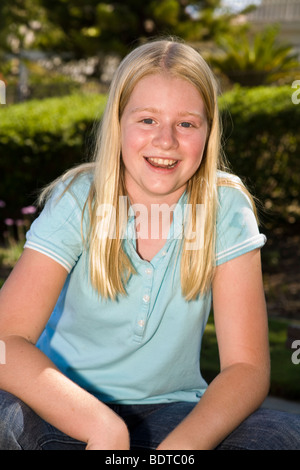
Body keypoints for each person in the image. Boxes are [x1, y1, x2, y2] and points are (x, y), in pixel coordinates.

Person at [0, 38, 299, 451]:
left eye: (187, 124)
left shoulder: (226, 208)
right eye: (147, 120)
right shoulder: (79, 198)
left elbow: (246, 367)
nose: (166, 140)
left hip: (173, 415)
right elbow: (4, 340)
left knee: (282, 435)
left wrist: (177, 453)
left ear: (208, 132)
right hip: (63, 410)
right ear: (118, 123)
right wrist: (103, 428)